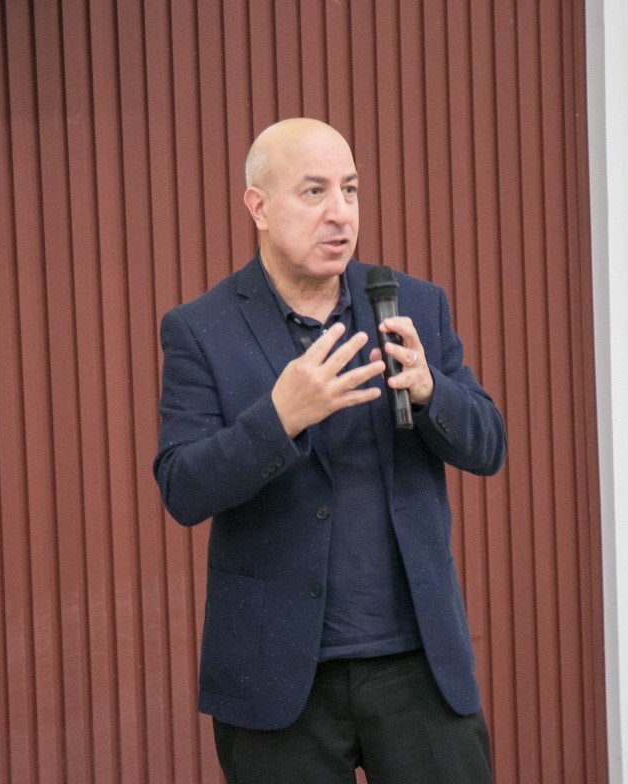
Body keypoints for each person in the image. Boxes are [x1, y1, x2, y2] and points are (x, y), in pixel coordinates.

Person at [153, 117, 507, 784]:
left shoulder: (410, 304)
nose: (340, 213)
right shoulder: (202, 329)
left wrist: (432, 391)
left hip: (417, 666)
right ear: (259, 206)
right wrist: (279, 418)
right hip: (278, 678)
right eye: (314, 192)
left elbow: (489, 445)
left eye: (350, 189)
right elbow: (182, 487)